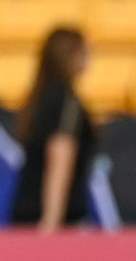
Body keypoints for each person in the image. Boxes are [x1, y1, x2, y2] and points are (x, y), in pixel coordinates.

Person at [10, 26, 100, 231]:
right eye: (84, 52)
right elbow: (60, 155)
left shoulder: (39, 98)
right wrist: (51, 219)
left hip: (25, 210)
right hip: (54, 219)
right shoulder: (66, 101)